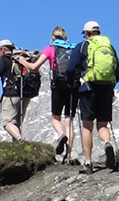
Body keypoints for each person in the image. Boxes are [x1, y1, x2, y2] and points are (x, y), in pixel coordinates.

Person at [16, 27, 79, 161]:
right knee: (69, 120)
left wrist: (22, 61)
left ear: (52, 37)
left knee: (56, 118)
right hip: (73, 87)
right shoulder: (74, 48)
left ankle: (61, 134)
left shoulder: (51, 49)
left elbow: (33, 67)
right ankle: (68, 156)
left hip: (58, 87)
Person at [68, 21, 119, 173]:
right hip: (106, 88)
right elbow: (117, 71)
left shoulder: (82, 46)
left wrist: (75, 81)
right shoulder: (109, 46)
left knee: (87, 126)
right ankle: (107, 142)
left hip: (87, 88)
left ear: (86, 33)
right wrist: (110, 85)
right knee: (102, 125)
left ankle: (88, 162)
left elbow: (71, 68)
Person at [0, 39, 38, 142]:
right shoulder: (21, 59)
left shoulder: (5, 60)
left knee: (8, 122)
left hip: (11, 94)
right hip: (26, 93)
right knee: (17, 124)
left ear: (3, 49)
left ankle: (20, 139)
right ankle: (18, 147)